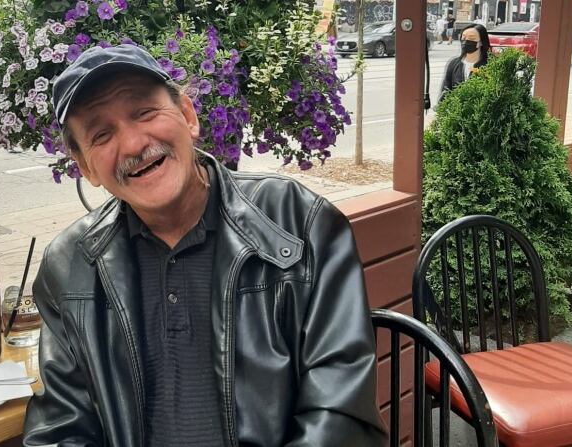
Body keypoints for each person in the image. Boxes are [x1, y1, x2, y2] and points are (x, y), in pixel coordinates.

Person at [23, 44, 387, 446]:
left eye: (144, 112)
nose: (131, 145)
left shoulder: (299, 223)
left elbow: (341, 416)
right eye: (102, 135)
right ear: (86, 167)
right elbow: (60, 429)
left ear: (188, 115)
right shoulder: (68, 266)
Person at [440, 24, 491, 101]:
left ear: (481, 42)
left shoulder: (490, 64)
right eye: (463, 37)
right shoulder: (454, 64)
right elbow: (445, 91)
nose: (466, 41)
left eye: (471, 38)